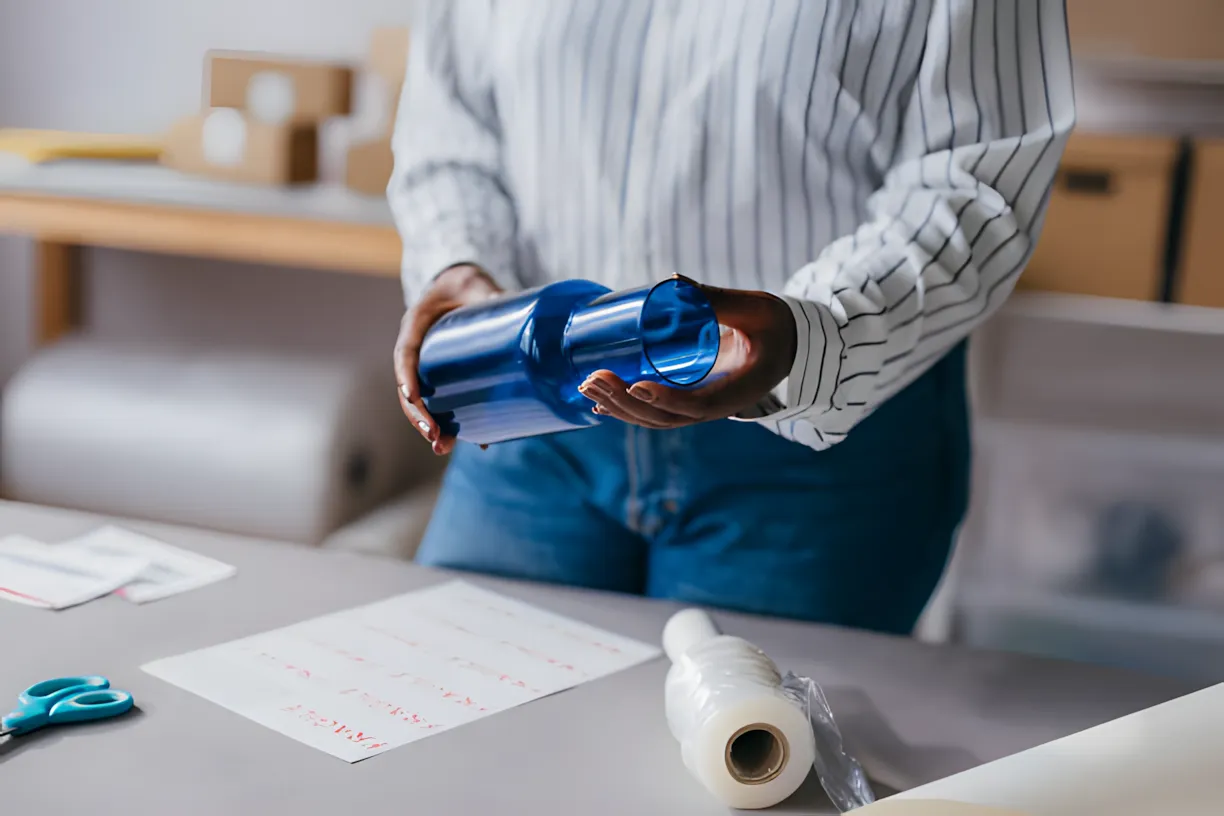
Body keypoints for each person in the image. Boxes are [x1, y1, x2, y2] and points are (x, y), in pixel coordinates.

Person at [389, 0, 1074, 634]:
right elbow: (450, 124)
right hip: (537, 417)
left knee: (750, 756)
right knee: (466, 731)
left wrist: (808, 338)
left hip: (810, 449)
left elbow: (975, 177)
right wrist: (458, 257)